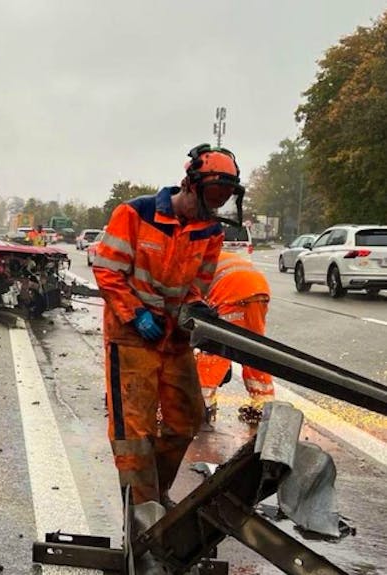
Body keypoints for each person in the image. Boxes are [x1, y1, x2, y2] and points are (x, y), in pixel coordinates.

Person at [92, 143, 244, 506]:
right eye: (211, 197)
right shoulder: (135, 214)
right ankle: (142, 511)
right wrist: (135, 313)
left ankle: (155, 493)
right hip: (132, 336)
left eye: (222, 200)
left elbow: (197, 284)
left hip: (173, 337)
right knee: (134, 431)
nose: (213, 208)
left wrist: (196, 309)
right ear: (189, 185)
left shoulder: (210, 231)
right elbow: (108, 271)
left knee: (187, 418)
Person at [196, 251, 273, 425]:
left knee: (216, 350)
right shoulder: (215, 255)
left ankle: (202, 403)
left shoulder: (190, 264)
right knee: (253, 349)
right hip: (258, 292)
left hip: (232, 295)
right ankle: (263, 402)